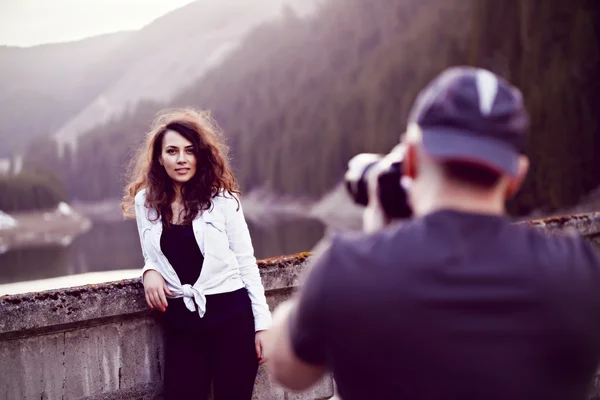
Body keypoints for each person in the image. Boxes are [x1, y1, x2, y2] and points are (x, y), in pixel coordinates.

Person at [264, 66, 600, 399]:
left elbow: (287, 369)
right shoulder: (578, 272)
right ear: (516, 176)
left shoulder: (346, 269)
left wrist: (375, 238)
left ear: (411, 157)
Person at [121, 108, 272, 400]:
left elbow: (246, 263)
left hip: (233, 319)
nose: (181, 159)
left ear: (200, 155)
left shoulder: (223, 201)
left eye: (189, 151)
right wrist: (149, 271)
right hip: (182, 323)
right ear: (159, 158)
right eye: (172, 151)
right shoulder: (145, 203)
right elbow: (152, 254)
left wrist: (263, 326)